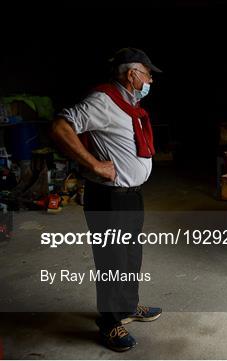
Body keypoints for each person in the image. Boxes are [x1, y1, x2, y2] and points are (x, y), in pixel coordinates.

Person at [51, 48, 163, 351]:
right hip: (109, 198)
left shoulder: (130, 105)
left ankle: (127, 306)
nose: (151, 79)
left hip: (130, 196)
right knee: (111, 259)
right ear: (132, 75)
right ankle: (110, 322)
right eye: (148, 74)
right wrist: (94, 164)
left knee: (129, 256)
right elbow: (61, 127)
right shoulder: (103, 101)